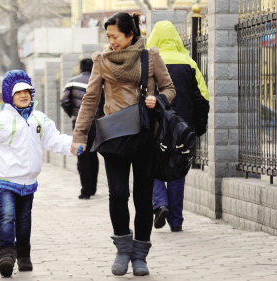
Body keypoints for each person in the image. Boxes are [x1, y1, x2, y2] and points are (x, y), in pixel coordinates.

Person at [70, 12, 175, 276]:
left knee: (142, 198)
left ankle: (140, 256)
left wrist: (158, 100)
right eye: (108, 36)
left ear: (130, 35)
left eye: (115, 36)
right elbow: (90, 100)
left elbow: (170, 89)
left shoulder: (150, 56)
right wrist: (79, 136)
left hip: (144, 137)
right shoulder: (102, 60)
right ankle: (122, 249)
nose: (110, 41)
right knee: (118, 194)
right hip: (113, 137)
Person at [0, 70, 73, 277]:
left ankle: (24, 256)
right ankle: (7, 255)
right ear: (10, 96)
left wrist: (73, 146)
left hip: (29, 181)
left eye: (27, 91)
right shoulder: (0, 121)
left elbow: (54, 139)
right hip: (5, 180)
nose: (24, 95)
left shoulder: (39, 119)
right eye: (18, 93)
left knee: (24, 220)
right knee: (7, 216)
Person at [146, 21, 210, 232]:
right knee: (177, 170)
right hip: (182, 127)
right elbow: (202, 97)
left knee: (153, 166)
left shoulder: (148, 60)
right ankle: (176, 220)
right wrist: (198, 127)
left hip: (155, 125)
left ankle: (160, 204)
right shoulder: (189, 62)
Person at [60, 58, 105, 199]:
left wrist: (73, 114)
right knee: (94, 155)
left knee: (83, 156)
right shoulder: (100, 81)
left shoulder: (72, 81)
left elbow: (64, 101)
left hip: (80, 124)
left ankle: (85, 191)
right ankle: (93, 189)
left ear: (80, 69)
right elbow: (105, 101)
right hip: (97, 124)